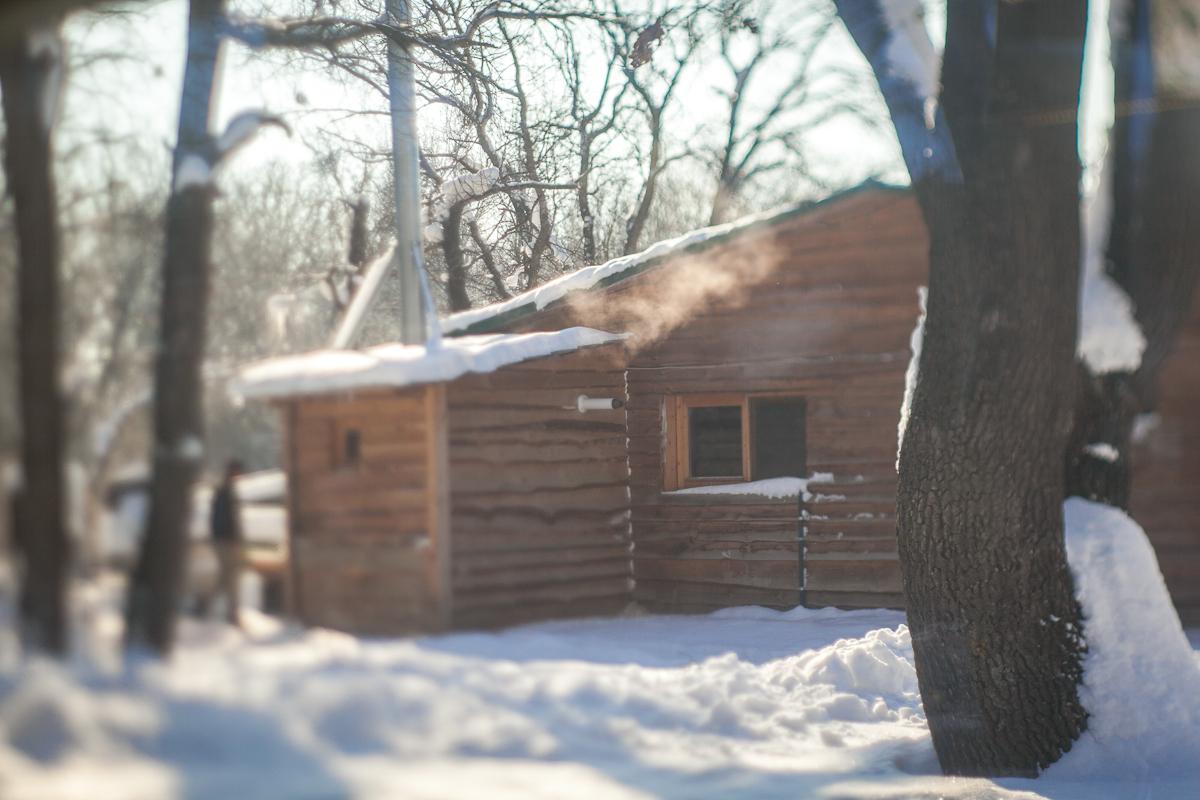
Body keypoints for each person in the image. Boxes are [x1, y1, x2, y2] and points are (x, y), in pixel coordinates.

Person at [209, 459, 244, 626]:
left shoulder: (224, 490)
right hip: (225, 541)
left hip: (222, 540)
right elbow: (224, 519)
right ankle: (232, 614)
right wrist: (232, 538)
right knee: (231, 577)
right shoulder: (225, 491)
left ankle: (205, 607)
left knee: (224, 578)